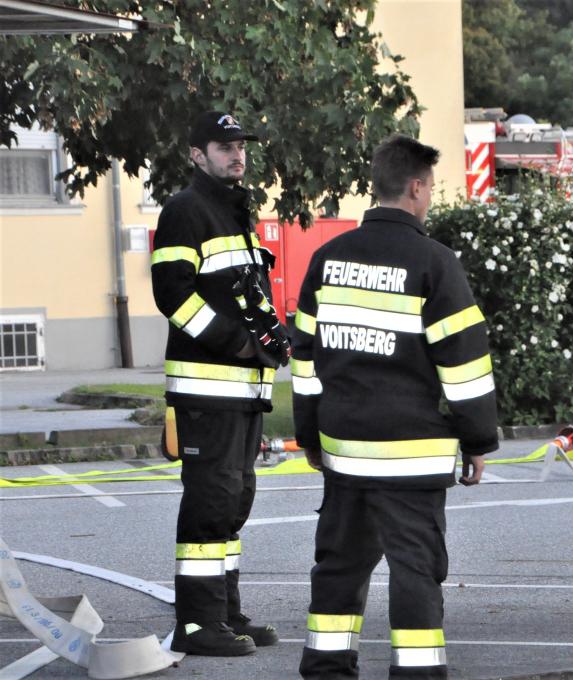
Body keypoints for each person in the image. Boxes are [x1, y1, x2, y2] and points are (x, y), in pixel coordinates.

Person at [292, 134, 499, 679]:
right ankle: (416, 673)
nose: (428, 196)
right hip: (412, 456)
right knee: (414, 571)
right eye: (429, 187)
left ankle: (326, 671)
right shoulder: (435, 263)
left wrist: (310, 436)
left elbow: (305, 359)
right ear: (415, 188)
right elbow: (464, 365)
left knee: (338, 568)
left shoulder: (327, 259)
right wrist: (478, 439)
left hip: (344, 452)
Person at [152, 110, 289, 656]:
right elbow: (173, 294)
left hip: (243, 393)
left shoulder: (234, 212)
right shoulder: (186, 210)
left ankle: (226, 614)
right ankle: (197, 624)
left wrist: (273, 338)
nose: (237, 155)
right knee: (211, 503)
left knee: (234, 502)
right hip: (208, 390)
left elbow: (246, 296)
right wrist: (237, 344)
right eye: (224, 146)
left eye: (241, 147)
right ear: (197, 154)